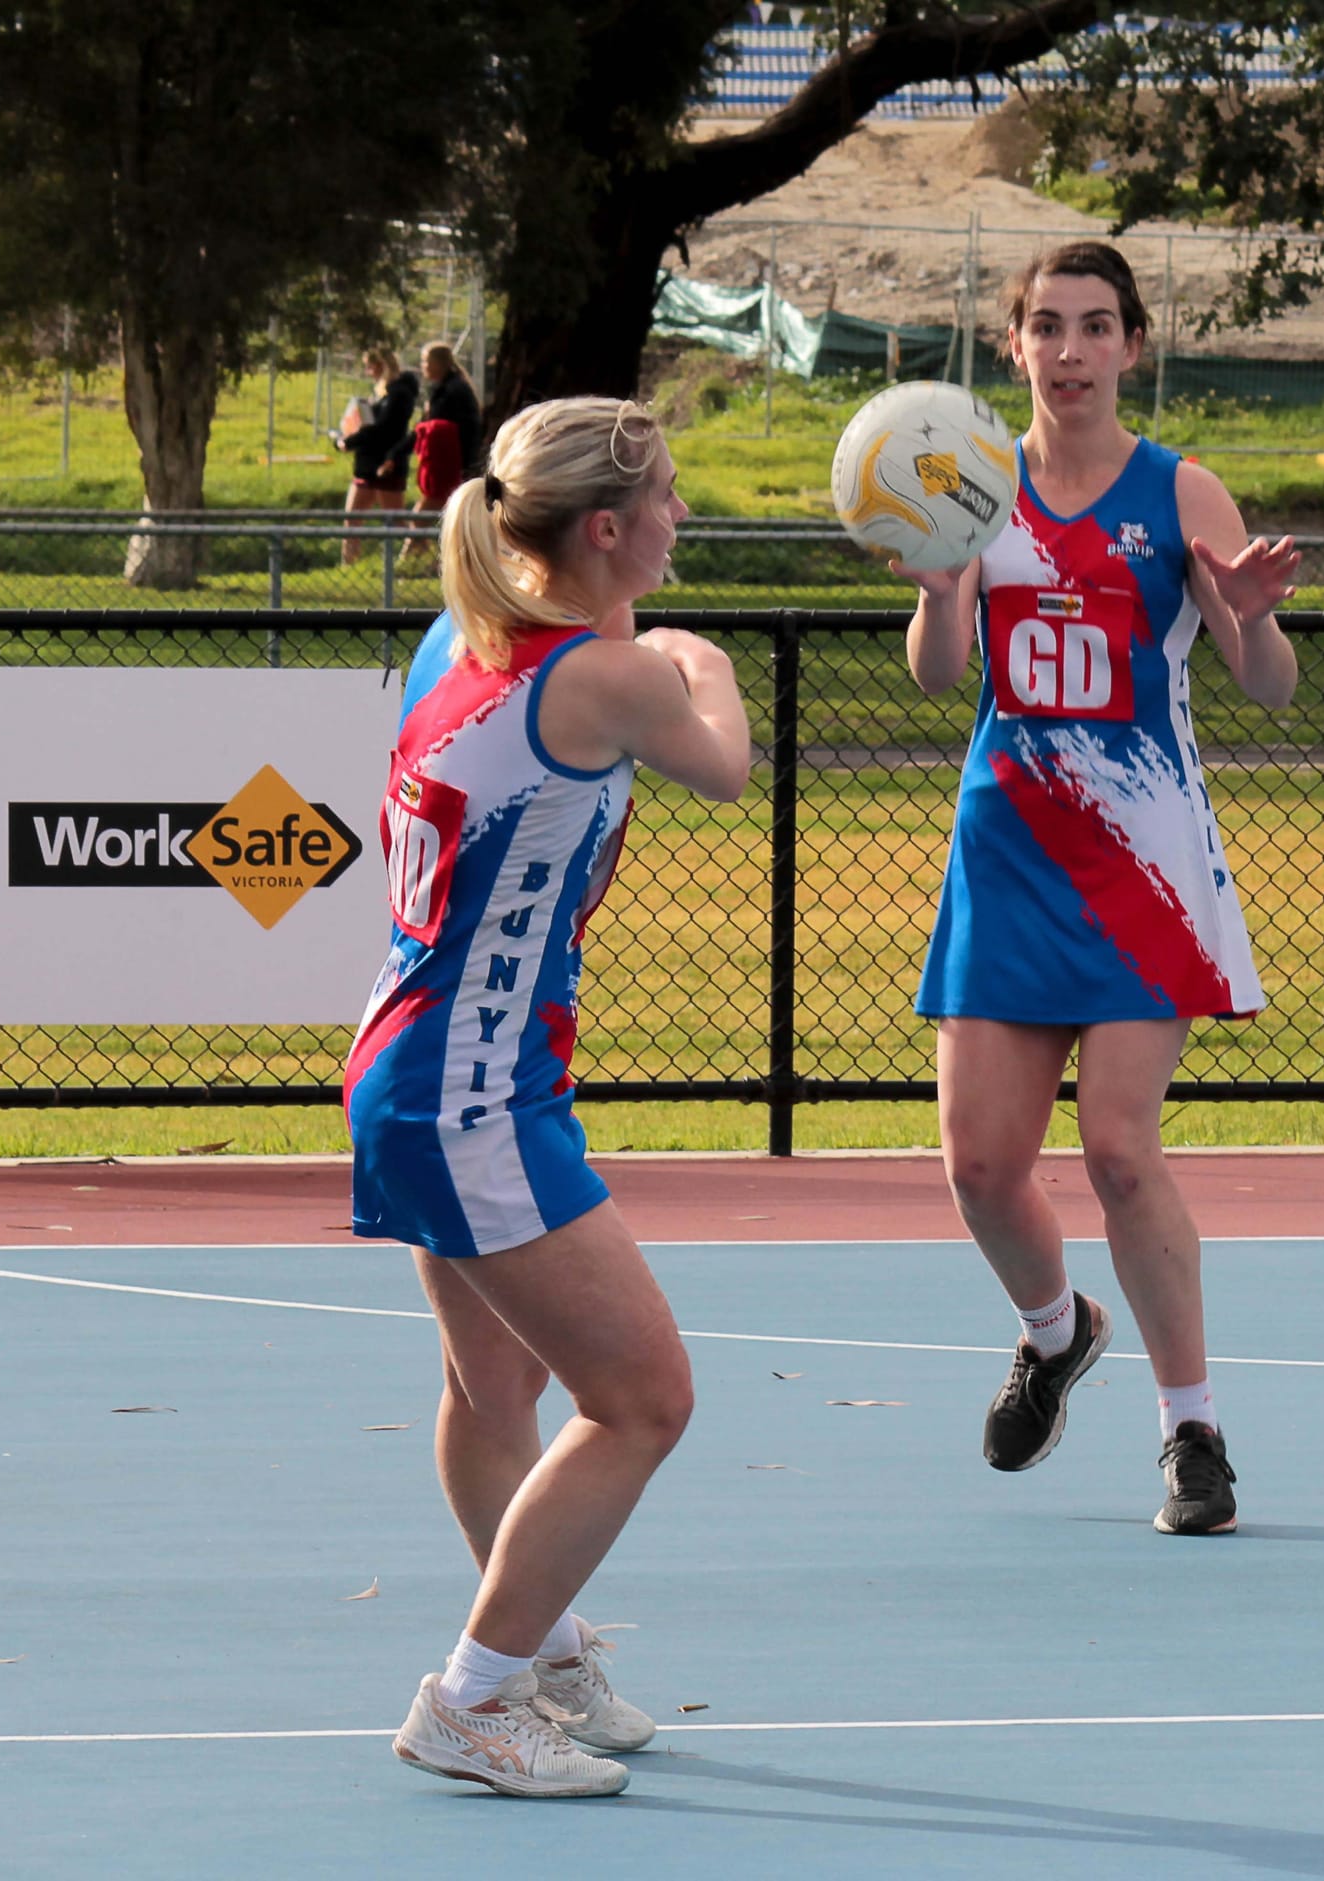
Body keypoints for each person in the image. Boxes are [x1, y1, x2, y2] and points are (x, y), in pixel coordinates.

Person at [343, 396, 749, 1797]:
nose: (683, 516)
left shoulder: (458, 637)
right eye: (669, 497)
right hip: (472, 1094)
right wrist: (702, 658)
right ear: (607, 530)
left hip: (417, 1064)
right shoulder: (611, 678)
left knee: (491, 1384)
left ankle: (547, 1654)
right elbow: (723, 763)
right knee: (644, 1399)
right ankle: (471, 1694)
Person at [897, 240, 1301, 1536]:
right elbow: (936, 672)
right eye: (1047, 326)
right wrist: (941, 591)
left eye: (1094, 326)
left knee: (1120, 1150)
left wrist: (1250, 614)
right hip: (1007, 853)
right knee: (978, 1166)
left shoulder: (1181, 490)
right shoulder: (971, 483)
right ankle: (1054, 1330)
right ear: (1013, 343)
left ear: (1131, 345)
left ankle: (1192, 1432)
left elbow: (1268, 687)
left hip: (1141, 866)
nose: (1069, 350)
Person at [388, 342, 485, 569]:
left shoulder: (452, 393)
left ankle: (405, 566)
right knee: (437, 518)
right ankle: (425, 564)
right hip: (452, 468)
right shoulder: (444, 390)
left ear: (439, 363)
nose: (423, 366)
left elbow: (437, 432)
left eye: (426, 361)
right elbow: (422, 429)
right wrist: (396, 453)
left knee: (423, 517)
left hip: (452, 469)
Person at [332, 347, 420, 565]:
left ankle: (420, 557)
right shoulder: (383, 393)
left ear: (382, 366)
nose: (368, 372)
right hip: (366, 465)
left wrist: (350, 441)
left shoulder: (399, 394)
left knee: (396, 521)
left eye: (370, 367)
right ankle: (348, 566)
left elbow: (383, 430)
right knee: (352, 519)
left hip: (386, 465)